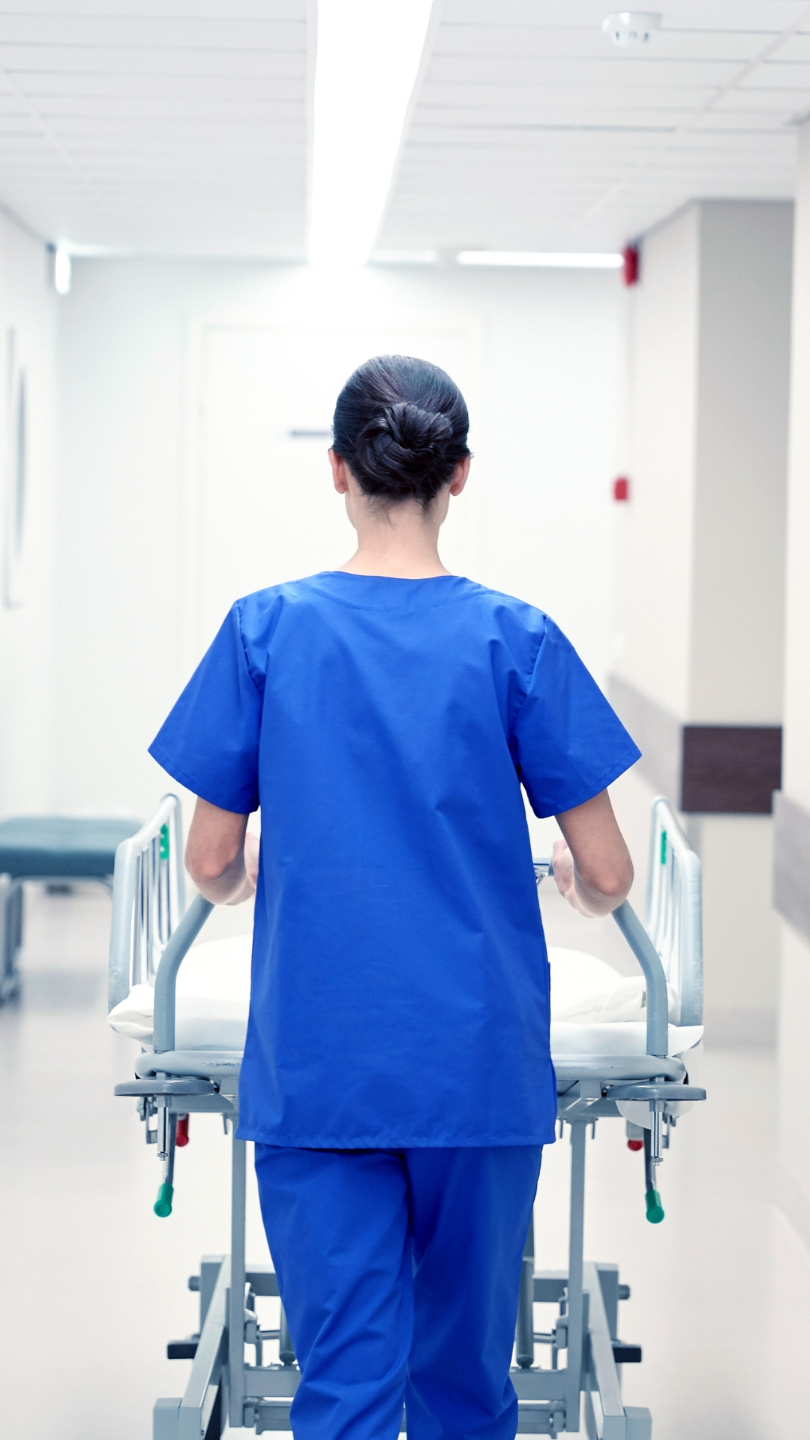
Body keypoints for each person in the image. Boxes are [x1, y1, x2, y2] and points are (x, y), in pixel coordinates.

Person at [149, 354, 640, 1440]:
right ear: (459, 473)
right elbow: (609, 876)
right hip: (475, 1068)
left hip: (321, 1066)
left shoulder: (264, 631)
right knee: (465, 1384)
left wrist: (246, 872)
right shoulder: (517, 639)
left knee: (345, 1386)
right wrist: (574, 885)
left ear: (338, 470)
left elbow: (209, 862)